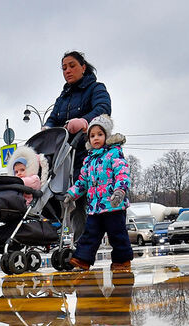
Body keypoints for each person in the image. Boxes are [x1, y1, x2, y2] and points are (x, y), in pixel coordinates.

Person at [44, 51, 112, 240]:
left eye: (72, 65)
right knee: (69, 200)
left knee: (88, 200)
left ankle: (88, 242)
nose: (67, 70)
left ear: (83, 67)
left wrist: (84, 121)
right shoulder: (63, 97)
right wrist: (48, 127)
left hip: (90, 155)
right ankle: (79, 243)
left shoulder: (96, 88)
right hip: (66, 157)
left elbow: (103, 108)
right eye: (64, 68)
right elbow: (53, 117)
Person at [64, 115, 133, 272]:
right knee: (90, 234)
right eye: (92, 135)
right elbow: (82, 182)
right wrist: (71, 194)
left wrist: (119, 191)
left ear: (106, 136)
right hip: (95, 207)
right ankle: (82, 259)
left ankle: (122, 261)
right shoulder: (88, 160)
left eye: (99, 134)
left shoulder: (114, 153)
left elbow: (122, 173)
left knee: (117, 234)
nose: (96, 138)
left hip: (113, 204)